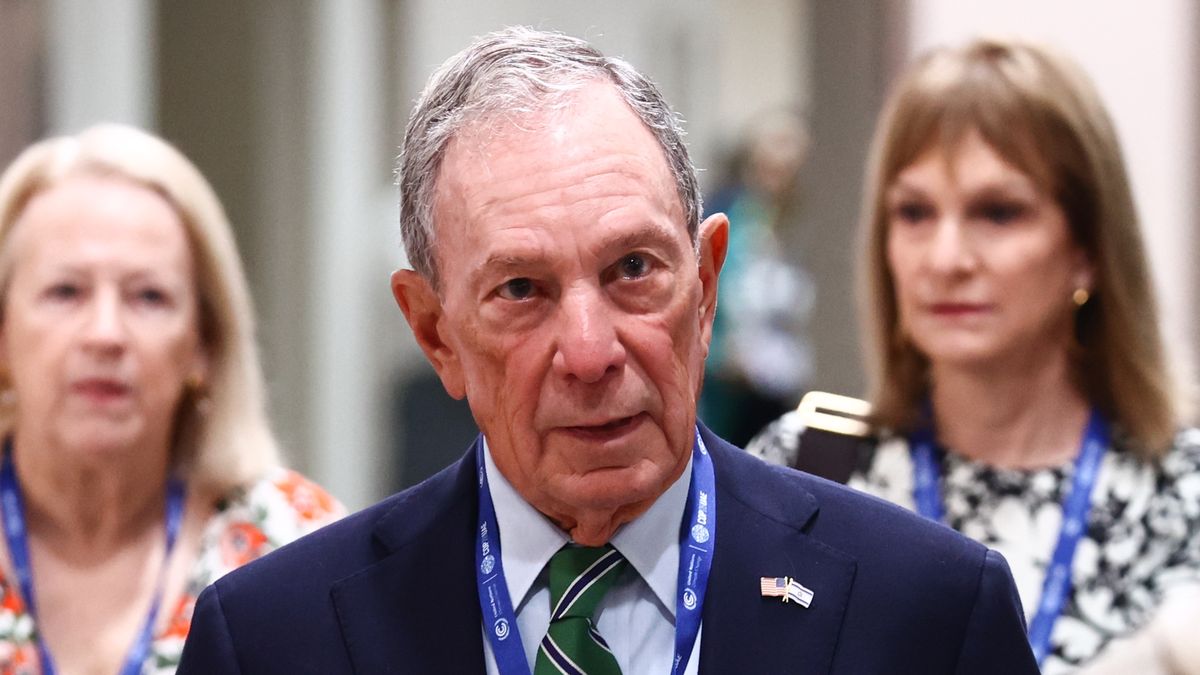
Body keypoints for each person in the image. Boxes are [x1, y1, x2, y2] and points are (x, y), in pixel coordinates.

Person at [177, 27, 1037, 674]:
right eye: (522, 290)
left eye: (633, 269)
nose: (590, 353)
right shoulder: (274, 640)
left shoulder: (928, 612)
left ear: (705, 285)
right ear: (436, 332)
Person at [747, 39, 1200, 674]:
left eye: (998, 212)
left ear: (1089, 249)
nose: (945, 259)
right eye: (914, 213)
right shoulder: (803, 474)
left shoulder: (1182, 493)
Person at [0, 124, 344, 674]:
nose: (105, 334)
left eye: (149, 296)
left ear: (204, 344)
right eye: (65, 291)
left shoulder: (294, 547)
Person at [700, 108, 816, 446]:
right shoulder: (728, 216)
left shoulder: (790, 223)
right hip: (731, 391)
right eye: (777, 147)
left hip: (777, 389)